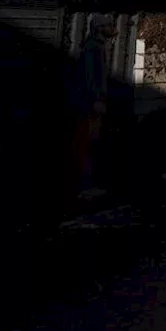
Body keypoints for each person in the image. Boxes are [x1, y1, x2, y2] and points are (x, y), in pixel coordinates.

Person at [68, 14, 115, 200]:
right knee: (86, 143)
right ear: (99, 28)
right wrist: (96, 99)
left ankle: (85, 184)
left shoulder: (97, 46)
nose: (112, 28)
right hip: (89, 105)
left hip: (92, 103)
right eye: (108, 25)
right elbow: (90, 76)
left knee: (90, 143)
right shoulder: (93, 48)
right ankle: (82, 186)